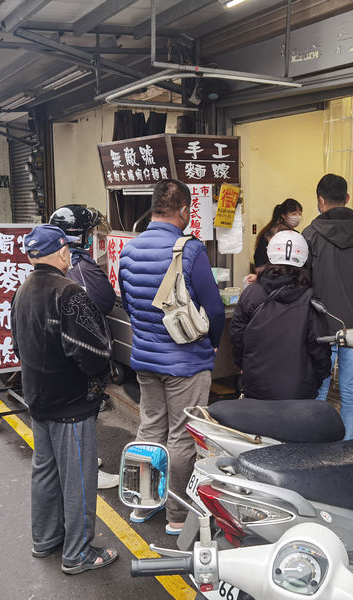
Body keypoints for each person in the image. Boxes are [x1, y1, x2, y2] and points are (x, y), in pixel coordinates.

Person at [118, 179, 225, 536]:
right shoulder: (189, 250)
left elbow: (129, 303)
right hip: (186, 362)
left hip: (145, 358)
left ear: (153, 209)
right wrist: (213, 343)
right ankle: (176, 516)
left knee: (150, 428)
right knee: (181, 436)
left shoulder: (130, 250)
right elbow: (214, 308)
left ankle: (142, 503)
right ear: (183, 211)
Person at [11, 224, 118, 574]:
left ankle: (44, 540)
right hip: (70, 403)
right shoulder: (68, 292)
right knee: (79, 479)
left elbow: (17, 344)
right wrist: (101, 376)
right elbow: (91, 352)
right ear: (61, 252)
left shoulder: (23, 290)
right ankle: (77, 553)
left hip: (37, 400)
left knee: (44, 472)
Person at [302, 174, 353, 441]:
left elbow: (302, 286)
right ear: (347, 199)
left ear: (320, 201)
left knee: (319, 391)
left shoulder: (310, 234)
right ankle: (347, 448)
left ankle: (316, 444)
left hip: (320, 327)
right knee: (350, 392)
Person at [49, 204, 119, 489]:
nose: (93, 236)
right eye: (90, 231)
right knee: (83, 409)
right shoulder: (78, 263)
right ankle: (87, 470)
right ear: (79, 235)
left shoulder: (49, 260)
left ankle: (84, 458)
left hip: (57, 349)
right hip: (78, 347)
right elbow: (104, 300)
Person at [230, 230, 331, 400]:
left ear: (270, 254)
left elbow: (236, 335)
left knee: (257, 426)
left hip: (256, 385)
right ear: (303, 258)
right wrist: (319, 376)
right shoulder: (308, 298)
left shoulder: (251, 293)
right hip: (298, 389)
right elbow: (319, 344)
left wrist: (243, 366)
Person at [253, 199, 303, 269]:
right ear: (283, 215)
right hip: (271, 274)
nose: (298, 217)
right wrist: (260, 272)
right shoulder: (271, 233)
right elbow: (259, 256)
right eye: (294, 214)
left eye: (300, 214)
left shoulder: (297, 235)